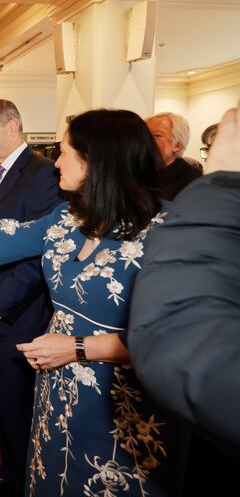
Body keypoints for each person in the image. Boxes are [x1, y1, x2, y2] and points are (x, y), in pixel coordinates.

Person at [0, 108, 186, 496]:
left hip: (120, 398)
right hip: (58, 384)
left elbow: (178, 340)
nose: (56, 162)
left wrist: (76, 348)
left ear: (97, 162)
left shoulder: (168, 232)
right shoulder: (68, 216)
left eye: (66, 153)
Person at [129, 104, 240, 496]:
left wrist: (222, 184)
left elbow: (179, 343)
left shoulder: (198, 186)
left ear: (177, 144)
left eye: (155, 135)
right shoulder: (140, 177)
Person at [0, 100, 63, 495]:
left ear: (13, 126)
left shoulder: (41, 174)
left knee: (16, 401)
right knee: (5, 400)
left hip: (21, 311)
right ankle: (14, 470)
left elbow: (42, 252)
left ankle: (22, 479)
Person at [145, 112, 203, 200]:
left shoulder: (195, 181)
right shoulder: (134, 172)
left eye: (156, 135)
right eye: (143, 134)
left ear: (177, 145)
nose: (145, 140)